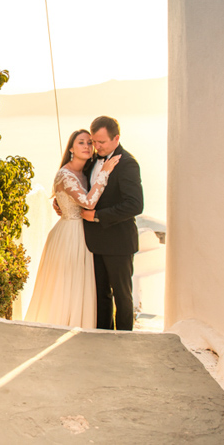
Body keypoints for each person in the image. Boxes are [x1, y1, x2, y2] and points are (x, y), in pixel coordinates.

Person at [23, 129, 120, 328]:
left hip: (84, 233)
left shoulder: (86, 172)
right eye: (81, 143)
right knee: (66, 285)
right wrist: (105, 174)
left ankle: (82, 325)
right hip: (69, 235)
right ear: (71, 149)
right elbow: (88, 202)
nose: (87, 146)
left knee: (80, 285)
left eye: (89, 143)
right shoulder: (66, 175)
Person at [81, 116, 144, 331]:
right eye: (94, 142)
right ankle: (102, 337)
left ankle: (125, 341)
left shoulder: (127, 163)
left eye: (102, 143)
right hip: (94, 242)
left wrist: (98, 215)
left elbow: (135, 205)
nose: (96, 147)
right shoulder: (92, 162)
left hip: (119, 242)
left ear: (116, 138)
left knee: (122, 297)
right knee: (100, 296)